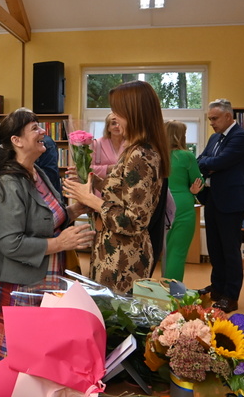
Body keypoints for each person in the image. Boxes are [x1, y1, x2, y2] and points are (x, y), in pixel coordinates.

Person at [0, 108, 95, 366]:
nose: (43, 132)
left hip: (43, 281)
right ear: (16, 141)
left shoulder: (35, 172)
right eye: (35, 128)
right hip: (19, 287)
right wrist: (60, 243)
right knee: (20, 364)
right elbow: (10, 243)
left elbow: (47, 219)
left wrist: (75, 210)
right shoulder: (8, 183)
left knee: (41, 360)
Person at [62, 81, 170, 294]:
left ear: (133, 113)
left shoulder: (140, 155)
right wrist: (95, 182)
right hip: (115, 251)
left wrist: (91, 199)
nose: (114, 117)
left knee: (113, 312)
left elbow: (134, 221)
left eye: (117, 111)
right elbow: (125, 193)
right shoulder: (135, 149)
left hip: (123, 258)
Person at [195, 99, 244, 313]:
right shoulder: (215, 138)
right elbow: (201, 160)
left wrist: (211, 164)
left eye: (215, 118)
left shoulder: (241, 137)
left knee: (229, 250)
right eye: (210, 119)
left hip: (232, 201)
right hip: (213, 197)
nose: (211, 123)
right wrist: (210, 165)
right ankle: (217, 288)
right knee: (215, 247)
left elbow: (219, 162)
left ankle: (230, 296)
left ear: (228, 116)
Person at [162, 121, 204, 281]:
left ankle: (161, 287)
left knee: (164, 250)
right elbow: (198, 181)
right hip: (182, 205)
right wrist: (195, 189)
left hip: (162, 204)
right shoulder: (186, 156)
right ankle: (172, 291)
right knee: (177, 252)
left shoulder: (157, 155)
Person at [91, 111, 126, 193]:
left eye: (120, 124)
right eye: (113, 123)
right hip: (102, 190)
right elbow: (89, 169)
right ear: (108, 128)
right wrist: (108, 168)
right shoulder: (97, 144)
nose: (117, 126)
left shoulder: (130, 144)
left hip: (124, 190)